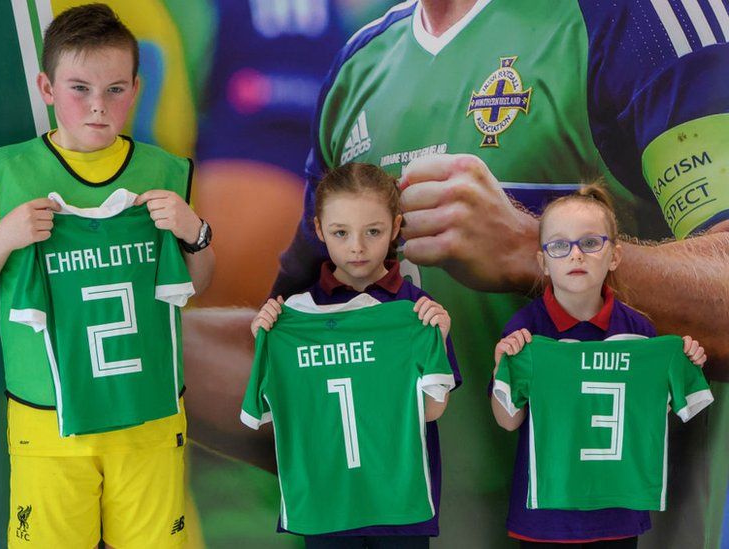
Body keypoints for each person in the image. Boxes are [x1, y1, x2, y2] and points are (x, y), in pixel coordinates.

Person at [182, 1, 728, 546]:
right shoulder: (362, 64)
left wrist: (531, 250)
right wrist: (140, 336)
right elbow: (301, 377)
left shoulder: (646, 20)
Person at [0, 4, 215, 548]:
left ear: (136, 89)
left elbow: (197, 284)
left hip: (148, 417)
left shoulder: (167, 173)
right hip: (49, 423)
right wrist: (3, 237)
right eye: (80, 88)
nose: (98, 106)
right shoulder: (5, 173)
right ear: (46, 87)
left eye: (116, 89)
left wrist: (196, 232)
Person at [249, 162, 461, 548]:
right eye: (340, 233)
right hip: (328, 503)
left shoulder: (416, 311)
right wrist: (266, 341)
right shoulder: (295, 315)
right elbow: (274, 411)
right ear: (318, 230)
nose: (357, 247)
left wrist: (438, 340)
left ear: (396, 228)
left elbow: (431, 410)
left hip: (399, 504)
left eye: (373, 232)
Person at [489, 184, 707, 547]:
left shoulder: (640, 330)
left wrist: (682, 363)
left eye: (591, 243)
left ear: (615, 255)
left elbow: (651, 417)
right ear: (543, 261)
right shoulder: (526, 331)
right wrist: (502, 367)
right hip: (546, 517)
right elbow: (508, 421)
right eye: (560, 246)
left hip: (617, 511)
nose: (576, 255)